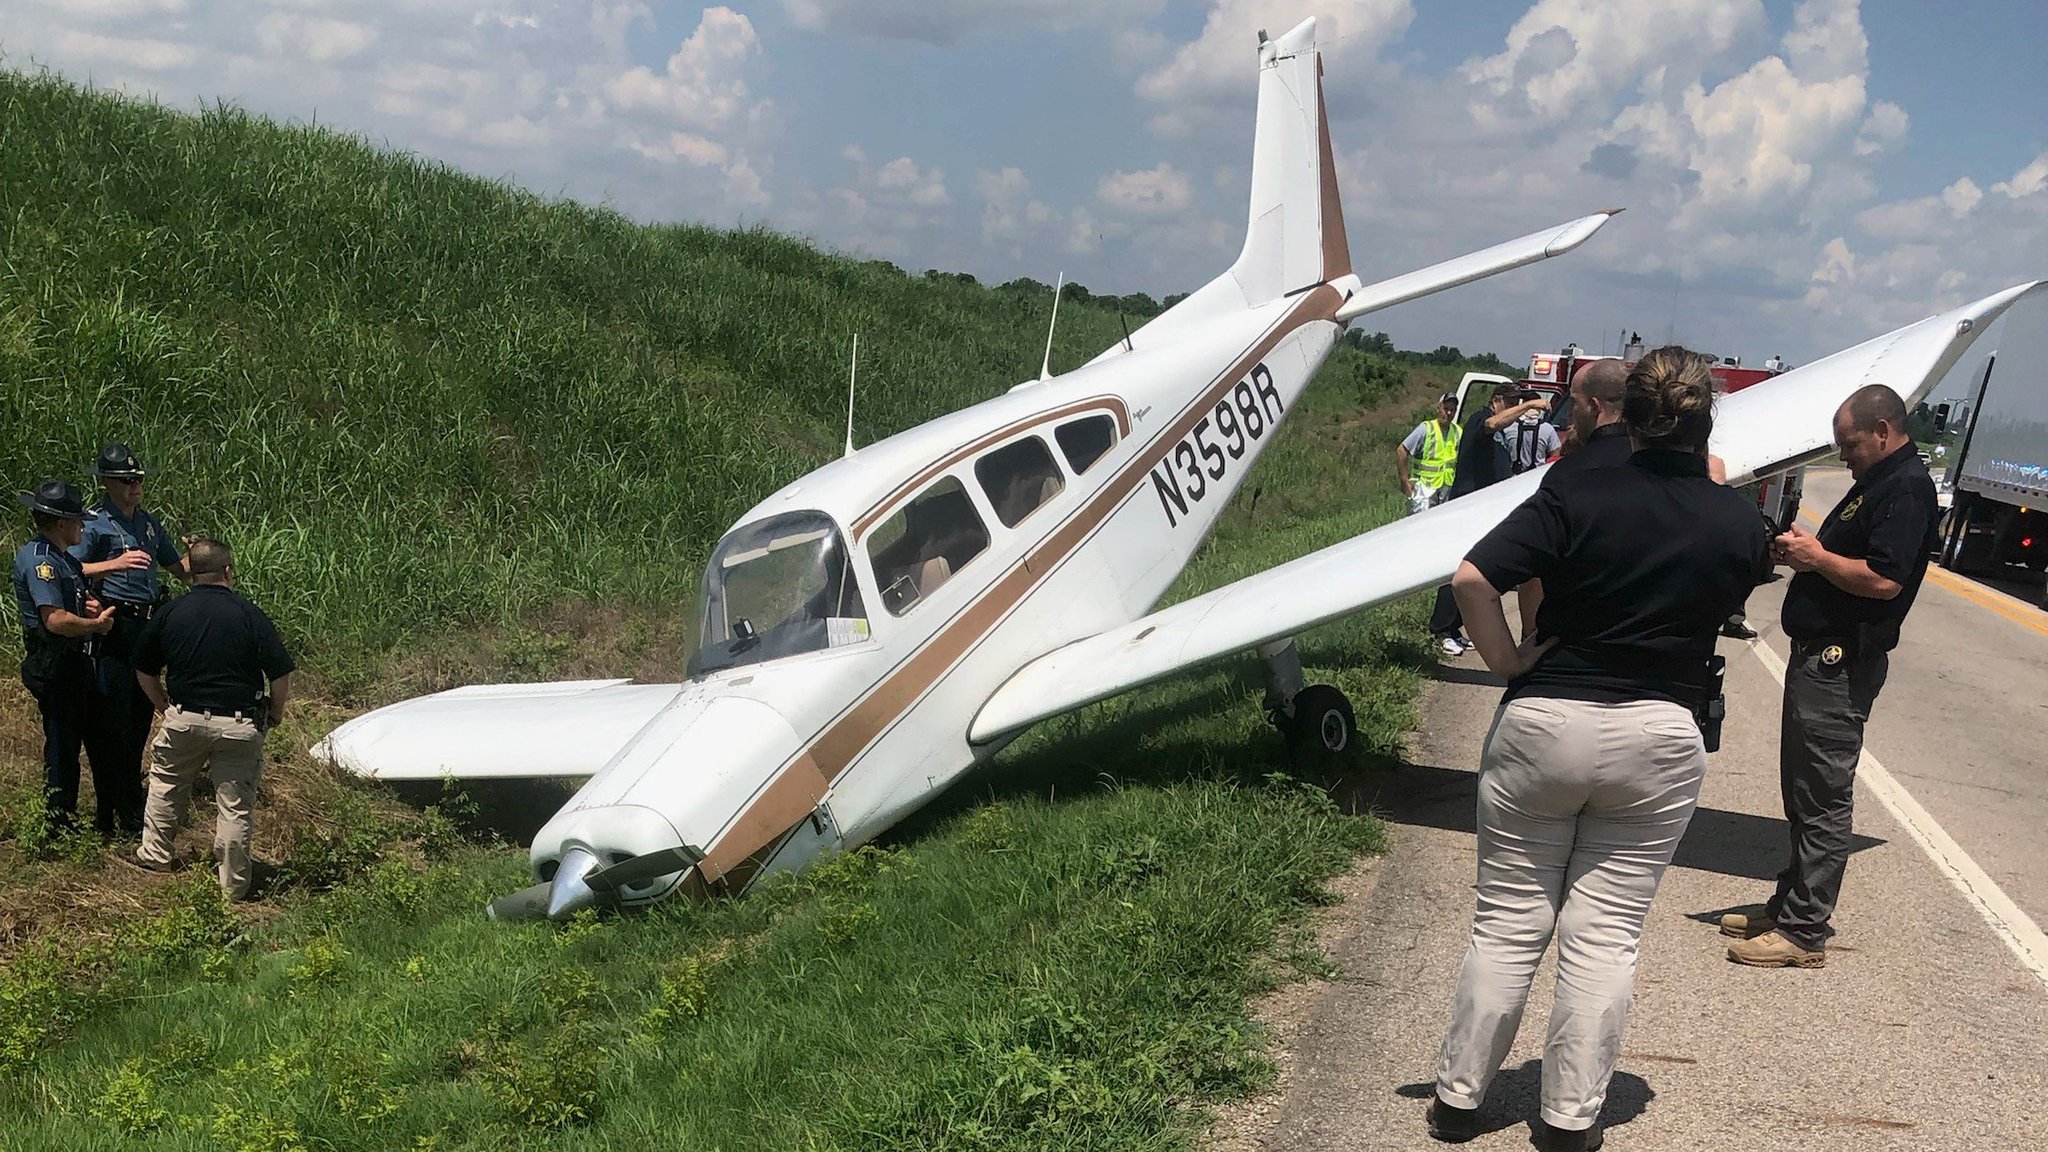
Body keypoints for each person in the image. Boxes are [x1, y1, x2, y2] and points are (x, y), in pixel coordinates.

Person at [1425, 347, 1767, 1150]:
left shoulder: (1575, 485)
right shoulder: (1735, 516)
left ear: (1629, 415)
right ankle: (1571, 1119)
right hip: (1660, 730)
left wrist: (1508, 660)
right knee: (1605, 933)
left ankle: (1459, 1101)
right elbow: (1741, 580)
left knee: (1510, 923)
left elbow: (1475, 577)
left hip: (1550, 717)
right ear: (1704, 420)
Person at [1724, 384, 1939, 968]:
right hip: (1818, 654)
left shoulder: (1907, 490)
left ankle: (1804, 930)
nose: (1843, 455)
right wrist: (1806, 551)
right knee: (1801, 789)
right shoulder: (1875, 485)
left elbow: (1885, 580)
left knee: (1822, 795)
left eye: (1850, 445)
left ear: (1883, 432)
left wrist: (1817, 559)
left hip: (1842, 660)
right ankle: (1790, 901)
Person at [126, 537, 293, 898]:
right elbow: (280, 674)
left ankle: (155, 855)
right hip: (238, 723)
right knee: (234, 807)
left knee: (166, 784)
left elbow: (143, 669)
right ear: (228, 571)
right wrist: (274, 714)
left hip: (185, 718)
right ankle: (233, 886)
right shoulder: (250, 614)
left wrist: (164, 707)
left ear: (193, 572)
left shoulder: (171, 612)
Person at [71, 443, 189, 835]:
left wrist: (197, 557)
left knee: (140, 717)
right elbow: (70, 568)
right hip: (113, 623)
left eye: (138, 480)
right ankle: (110, 808)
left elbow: (178, 568)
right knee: (112, 718)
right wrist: (114, 564)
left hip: (147, 623)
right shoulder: (93, 524)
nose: (135, 487)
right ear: (106, 483)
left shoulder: (149, 524)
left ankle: (130, 802)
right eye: (127, 481)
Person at [12, 481, 118, 832]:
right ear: (61, 524)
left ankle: (93, 815)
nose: (82, 528)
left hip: (74, 663)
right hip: (57, 664)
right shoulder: (42, 561)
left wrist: (87, 605)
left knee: (85, 737)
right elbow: (54, 620)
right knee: (62, 744)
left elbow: (72, 588)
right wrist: (94, 624)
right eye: (77, 521)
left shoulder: (61, 558)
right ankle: (58, 820)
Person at [1429, 386, 1553, 656]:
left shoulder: (1499, 435)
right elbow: (1493, 422)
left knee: (1472, 569)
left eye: (1516, 403)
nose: (1514, 407)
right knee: (1456, 571)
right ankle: (1441, 630)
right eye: (1509, 402)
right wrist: (1531, 406)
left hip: (1483, 511)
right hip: (1466, 508)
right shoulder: (1480, 418)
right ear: (1496, 401)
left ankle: (1454, 628)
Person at [1397, 393, 1462, 515]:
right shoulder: (1426, 429)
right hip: (1424, 491)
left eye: (1452, 410)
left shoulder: (1458, 432)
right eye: (1446, 409)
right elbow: (1402, 450)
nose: (1448, 413)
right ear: (1439, 408)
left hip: (1445, 491)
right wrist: (1404, 480)